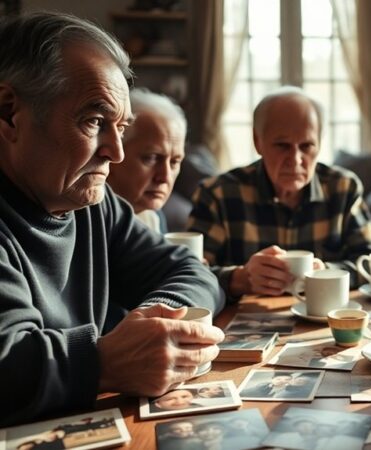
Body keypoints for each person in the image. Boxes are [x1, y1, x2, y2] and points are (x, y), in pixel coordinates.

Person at [0, 13, 224, 427]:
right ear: (9, 112)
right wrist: (103, 361)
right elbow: (9, 361)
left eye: (121, 127)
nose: (116, 152)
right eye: (94, 121)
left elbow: (192, 272)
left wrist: (157, 321)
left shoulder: (93, 205)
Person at [187, 86, 371, 298]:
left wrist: (328, 273)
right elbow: (187, 273)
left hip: (322, 315)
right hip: (244, 315)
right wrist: (239, 278)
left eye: (307, 146)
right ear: (257, 141)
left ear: (320, 144)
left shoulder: (343, 188)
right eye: (282, 145)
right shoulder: (218, 194)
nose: (295, 159)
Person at [106, 88, 186, 233]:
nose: (164, 177)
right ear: (112, 155)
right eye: (151, 158)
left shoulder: (153, 216)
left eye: (174, 162)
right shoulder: (88, 221)